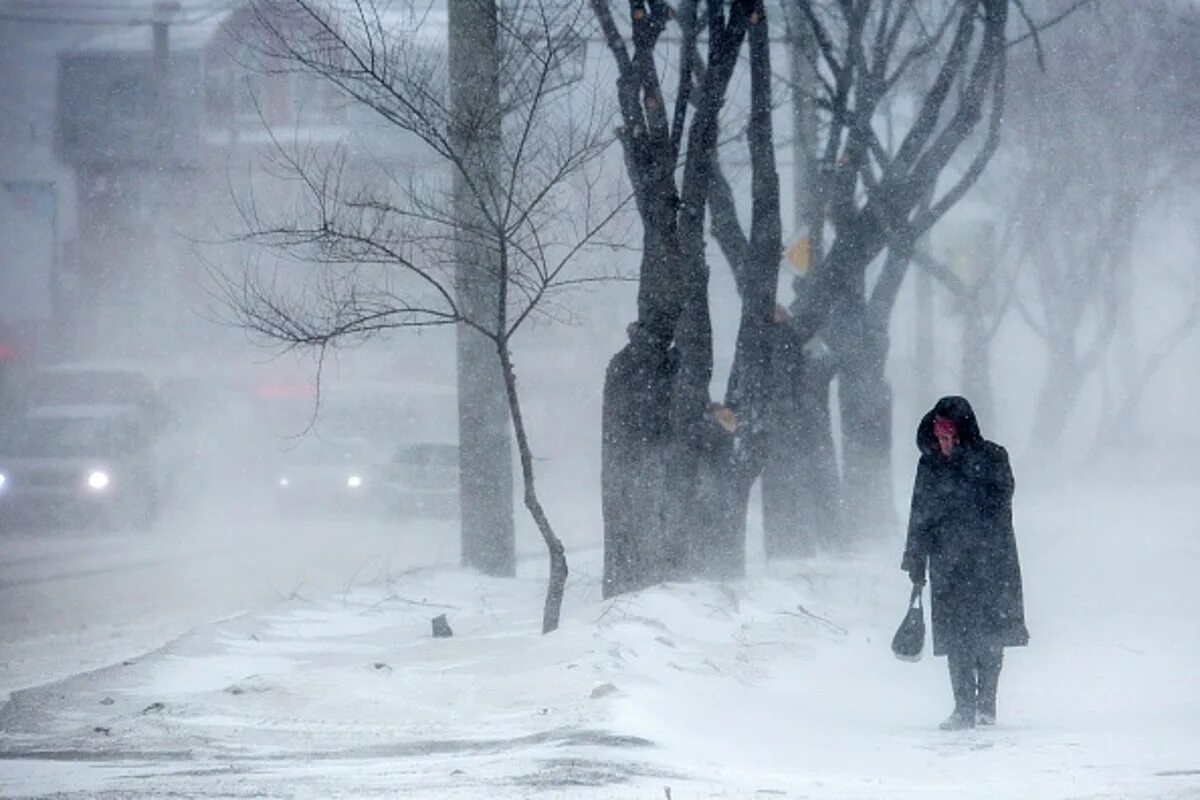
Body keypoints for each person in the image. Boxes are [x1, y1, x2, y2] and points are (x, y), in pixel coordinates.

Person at [901, 395, 1029, 730]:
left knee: (989, 635)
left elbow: (1001, 499)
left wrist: (963, 468)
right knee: (956, 637)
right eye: (939, 437)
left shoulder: (993, 457)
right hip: (947, 563)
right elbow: (920, 514)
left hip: (991, 561)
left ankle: (986, 707)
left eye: (949, 438)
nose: (943, 445)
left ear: (962, 434)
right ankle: (963, 708)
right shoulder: (929, 465)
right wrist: (915, 559)